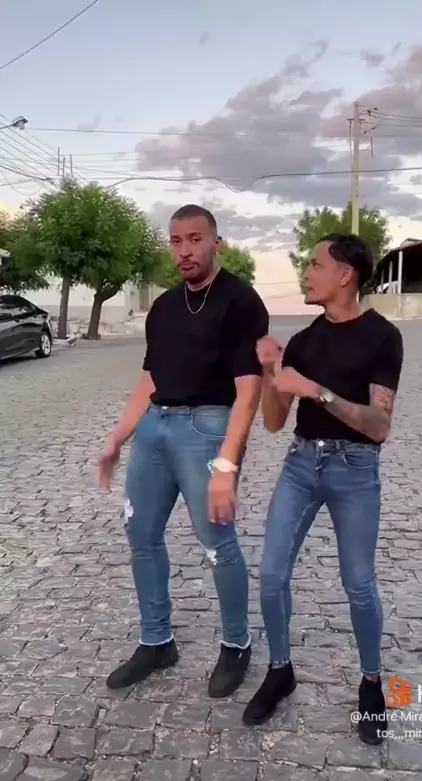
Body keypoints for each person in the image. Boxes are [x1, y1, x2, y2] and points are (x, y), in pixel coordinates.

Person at [97, 204, 269, 698]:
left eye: (195, 239)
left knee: (216, 541)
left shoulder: (240, 302)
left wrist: (227, 464)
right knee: (141, 533)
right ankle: (157, 642)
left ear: (216, 242)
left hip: (207, 427)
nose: (185, 251)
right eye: (176, 241)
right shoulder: (165, 307)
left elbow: (249, 390)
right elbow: (149, 378)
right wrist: (118, 437)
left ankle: (236, 644)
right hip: (156, 427)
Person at [242, 233, 403, 745]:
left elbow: (379, 425)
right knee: (271, 574)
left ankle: (371, 683)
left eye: (315, 264)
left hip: (355, 470)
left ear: (345, 274)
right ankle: (280, 669)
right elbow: (273, 422)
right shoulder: (305, 341)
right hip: (301, 463)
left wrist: (316, 390)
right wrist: (271, 371)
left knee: (358, 582)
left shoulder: (383, 337)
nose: (306, 273)